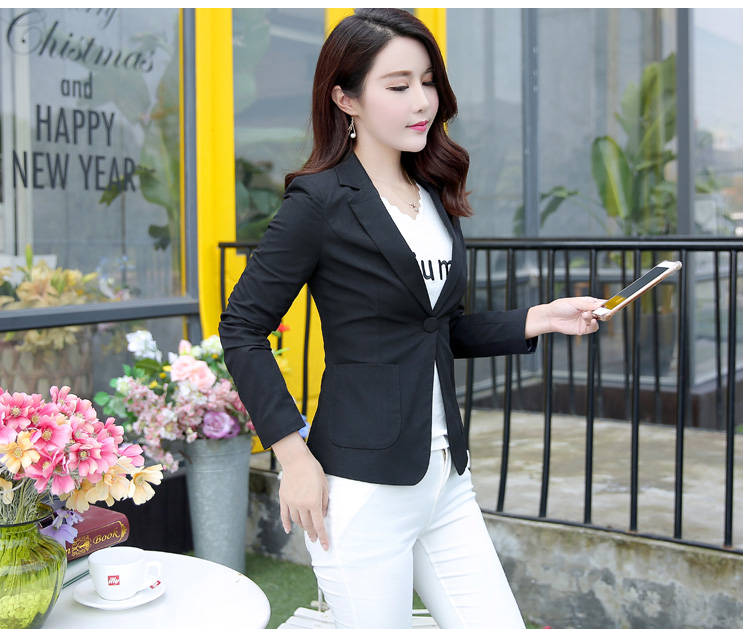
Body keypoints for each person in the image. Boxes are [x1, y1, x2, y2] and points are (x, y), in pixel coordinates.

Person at [219, 8, 604, 629]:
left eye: (427, 81)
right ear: (346, 99)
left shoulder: (433, 196)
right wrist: (293, 456)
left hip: (445, 480)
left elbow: (434, 330)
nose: (422, 100)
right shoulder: (319, 201)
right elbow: (242, 328)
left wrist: (539, 318)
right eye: (398, 86)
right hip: (360, 488)